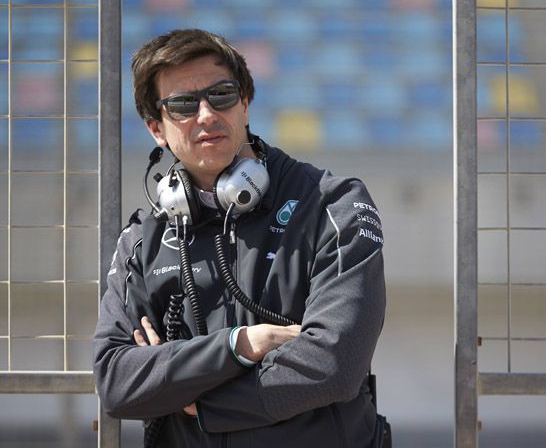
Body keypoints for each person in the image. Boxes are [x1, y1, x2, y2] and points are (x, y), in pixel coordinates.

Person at [92, 28, 388, 447]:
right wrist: (242, 345)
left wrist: (195, 399)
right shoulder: (143, 239)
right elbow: (117, 381)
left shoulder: (333, 204)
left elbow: (335, 363)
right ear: (156, 128)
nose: (206, 114)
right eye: (182, 104)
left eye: (221, 95)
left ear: (245, 103)